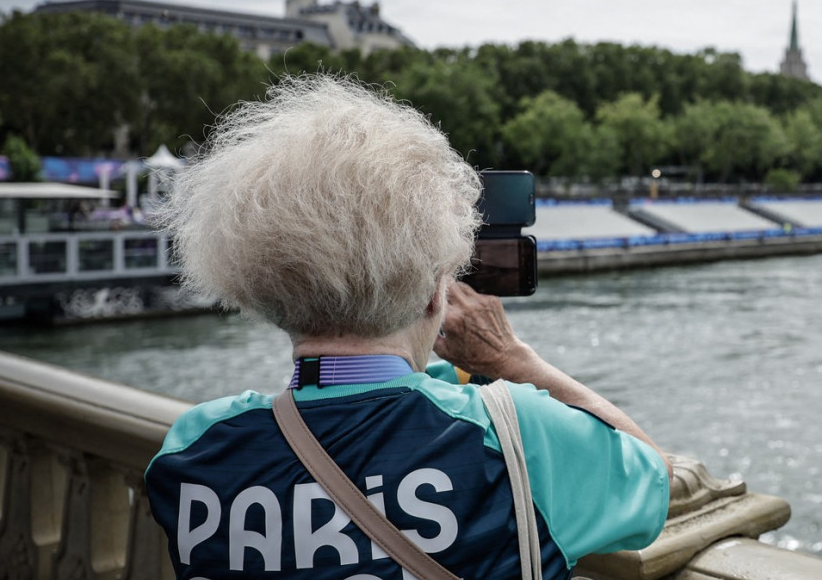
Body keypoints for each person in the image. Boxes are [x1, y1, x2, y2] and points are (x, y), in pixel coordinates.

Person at [144, 75, 670, 580]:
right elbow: (653, 479)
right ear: (434, 291)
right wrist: (511, 360)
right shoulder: (518, 434)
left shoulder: (195, 447)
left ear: (260, 291)